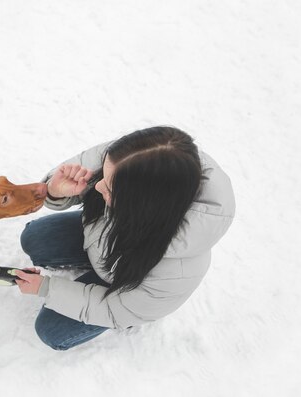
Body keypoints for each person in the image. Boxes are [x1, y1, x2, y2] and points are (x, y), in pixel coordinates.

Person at [15, 126, 235, 350]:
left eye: (109, 189)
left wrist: (47, 288)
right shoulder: (138, 155)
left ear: (144, 207)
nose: (98, 185)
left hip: (125, 279)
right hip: (104, 235)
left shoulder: (176, 272)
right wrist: (55, 190)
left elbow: (116, 309)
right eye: (104, 175)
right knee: (34, 238)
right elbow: (81, 170)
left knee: (51, 330)